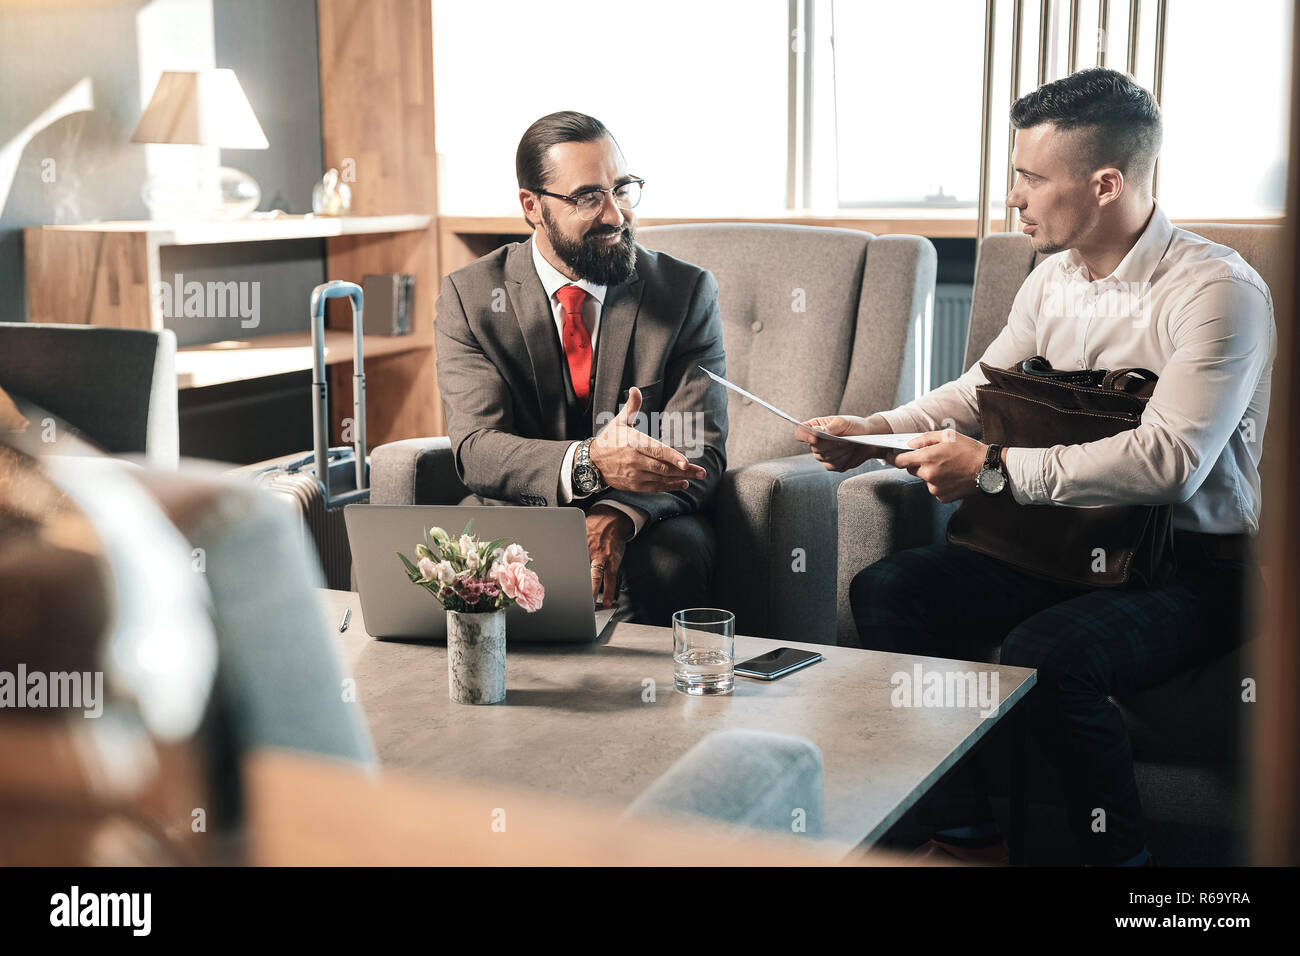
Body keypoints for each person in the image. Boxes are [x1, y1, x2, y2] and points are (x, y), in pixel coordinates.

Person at [796, 68, 1274, 866]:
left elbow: (1171, 463)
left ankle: (1116, 861)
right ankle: (968, 833)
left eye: (1029, 177)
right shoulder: (1052, 279)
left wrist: (993, 471)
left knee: (1046, 653)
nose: (1013, 197)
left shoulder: (1216, 290)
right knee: (889, 592)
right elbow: (980, 393)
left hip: (1189, 571)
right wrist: (873, 429)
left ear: (1106, 182)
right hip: (1059, 549)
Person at [434, 111, 728, 626]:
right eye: (589, 197)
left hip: (647, 518)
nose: (616, 215)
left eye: (623, 189)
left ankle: (647, 706)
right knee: (471, 562)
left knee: (670, 561)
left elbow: (698, 445)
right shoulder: (472, 296)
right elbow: (477, 449)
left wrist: (616, 514)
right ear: (532, 207)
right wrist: (589, 461)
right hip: (519, 509)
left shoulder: (684, 293)